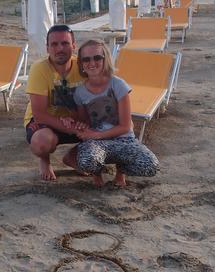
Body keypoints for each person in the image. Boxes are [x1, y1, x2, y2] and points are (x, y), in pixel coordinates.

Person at [71, 39, 160, 187]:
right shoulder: (80, 92)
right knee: (86, 161)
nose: (92, 63)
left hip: (123, 140)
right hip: (97, 143)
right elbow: (85, 122)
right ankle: (97, 173)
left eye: (97, 57)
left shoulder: (118, 84)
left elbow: (125, 126)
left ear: (105, 59)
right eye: (86, 59)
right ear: (81, 63)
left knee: (150, 165)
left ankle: (120, 171)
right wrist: (78, 125)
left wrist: (96, 135)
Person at [24, 25, 88, 181]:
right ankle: (44, 160)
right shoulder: (39, 68)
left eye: (65, 43)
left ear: (74, 46)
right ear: (47, 48)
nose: (60, 49)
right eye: (54, 44)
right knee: (42, 143)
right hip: (46, 121)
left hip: (75, 119)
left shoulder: (84, 67)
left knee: (107, 129)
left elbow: (94, 101)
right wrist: (72, 128)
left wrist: (79, 122)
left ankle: (73, 157)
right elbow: (39, 115)